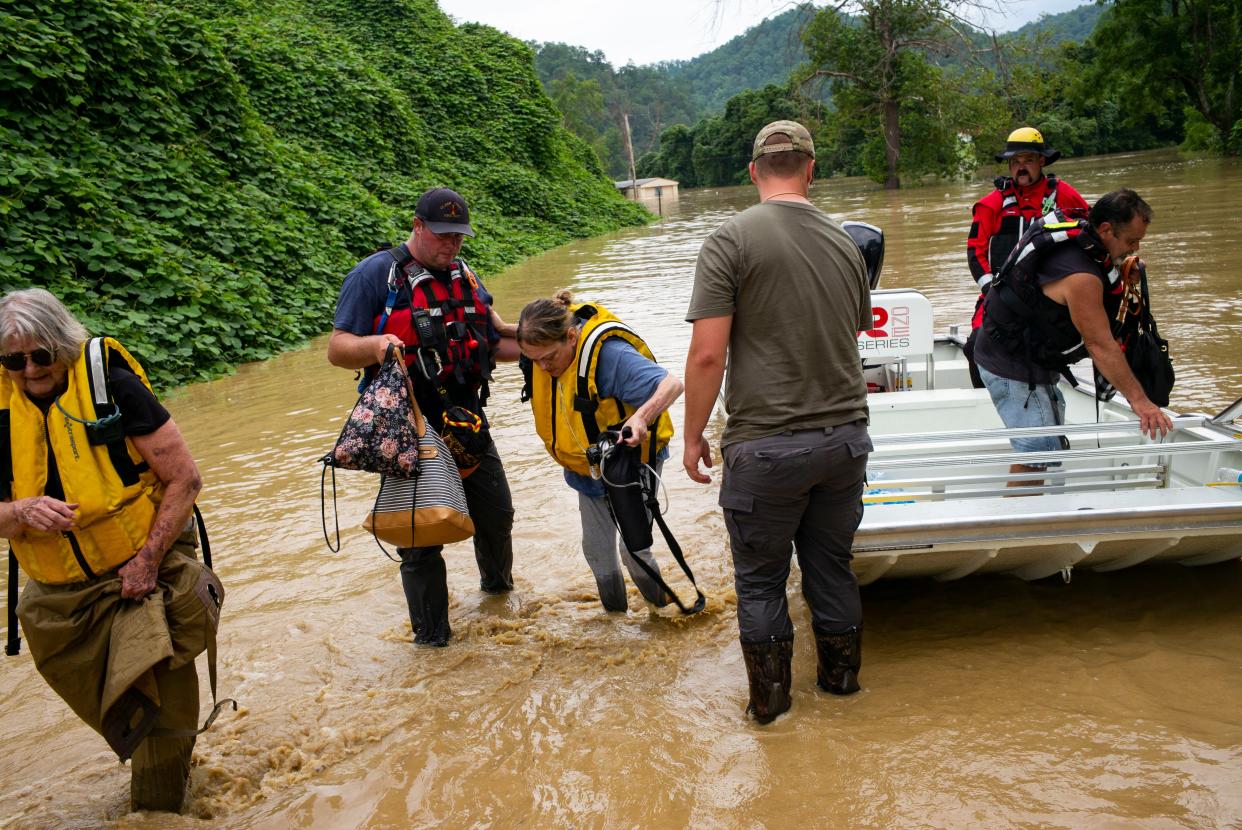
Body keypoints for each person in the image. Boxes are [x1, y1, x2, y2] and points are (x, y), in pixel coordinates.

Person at [0, 288, 223, 813]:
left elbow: (184, 479)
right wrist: (19, 513)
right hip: (60, 600)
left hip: (143, 572)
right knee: (122, 711)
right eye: (14, 360)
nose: (29, 370)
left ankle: (159, 814)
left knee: (163, 716)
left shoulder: (109, 383)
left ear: (64, 345)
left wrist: (146, 560)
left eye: (41, 356)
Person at [682, 120, 873, 724]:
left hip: (767, 448)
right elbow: (856, 329)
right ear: (811, 169)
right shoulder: (848, 243)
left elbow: (709, 354)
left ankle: (772, 712)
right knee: (831, 570)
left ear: (753, 171)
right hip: (844, 441)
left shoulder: (729, 240)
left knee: (762, 584)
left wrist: (691, 436)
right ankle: (842, 689)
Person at [328, 187, 519, 647]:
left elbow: (496, 342)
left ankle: (498, 600)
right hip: (409, 427)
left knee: (497, 516)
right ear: (417, 227)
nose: (451, 245)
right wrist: (375, 346)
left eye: (458, 237)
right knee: (419, 538)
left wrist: (554, 347)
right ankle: (432, 644)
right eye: (442, 235)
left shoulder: (465, 276)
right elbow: (337, 348)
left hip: (465, 422)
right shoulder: (377, 275)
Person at [975, 188, 1174, 488]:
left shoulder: (1085, 238)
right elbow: (1100, 345)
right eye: (1131, 241)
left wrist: (1122, 271)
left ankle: (1040, 517)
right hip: (1011, 365)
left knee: (1047, 450)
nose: (1135, 250)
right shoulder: (1081, 277)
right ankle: (1017, 529)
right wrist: (1141, 403)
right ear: (1106, 229)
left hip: (1026, 354)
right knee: (1036, 457)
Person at [516, 291, 683, 612]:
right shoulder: (541, 349)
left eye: (548, 357)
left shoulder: (610, 356)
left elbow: (672, 384)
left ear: (571, 336)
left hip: (629, 462)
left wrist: (641, 417)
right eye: (534, 359)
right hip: (588, 466)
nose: (542, 366)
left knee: (634, 553)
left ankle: (664, 616)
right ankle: (615, 622)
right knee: (596, 551)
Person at [964, 127, 1089, 386]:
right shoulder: (991, 204)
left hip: (1049, 293)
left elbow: (1094, 235)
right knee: (975, 347)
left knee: (1050, 348)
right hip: (1001, 292)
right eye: (1015, 162)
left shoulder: (1065, 196)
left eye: (1028, 160)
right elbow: (975, 252)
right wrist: (990, 289)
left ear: (1041, 161)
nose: (1021, 168)